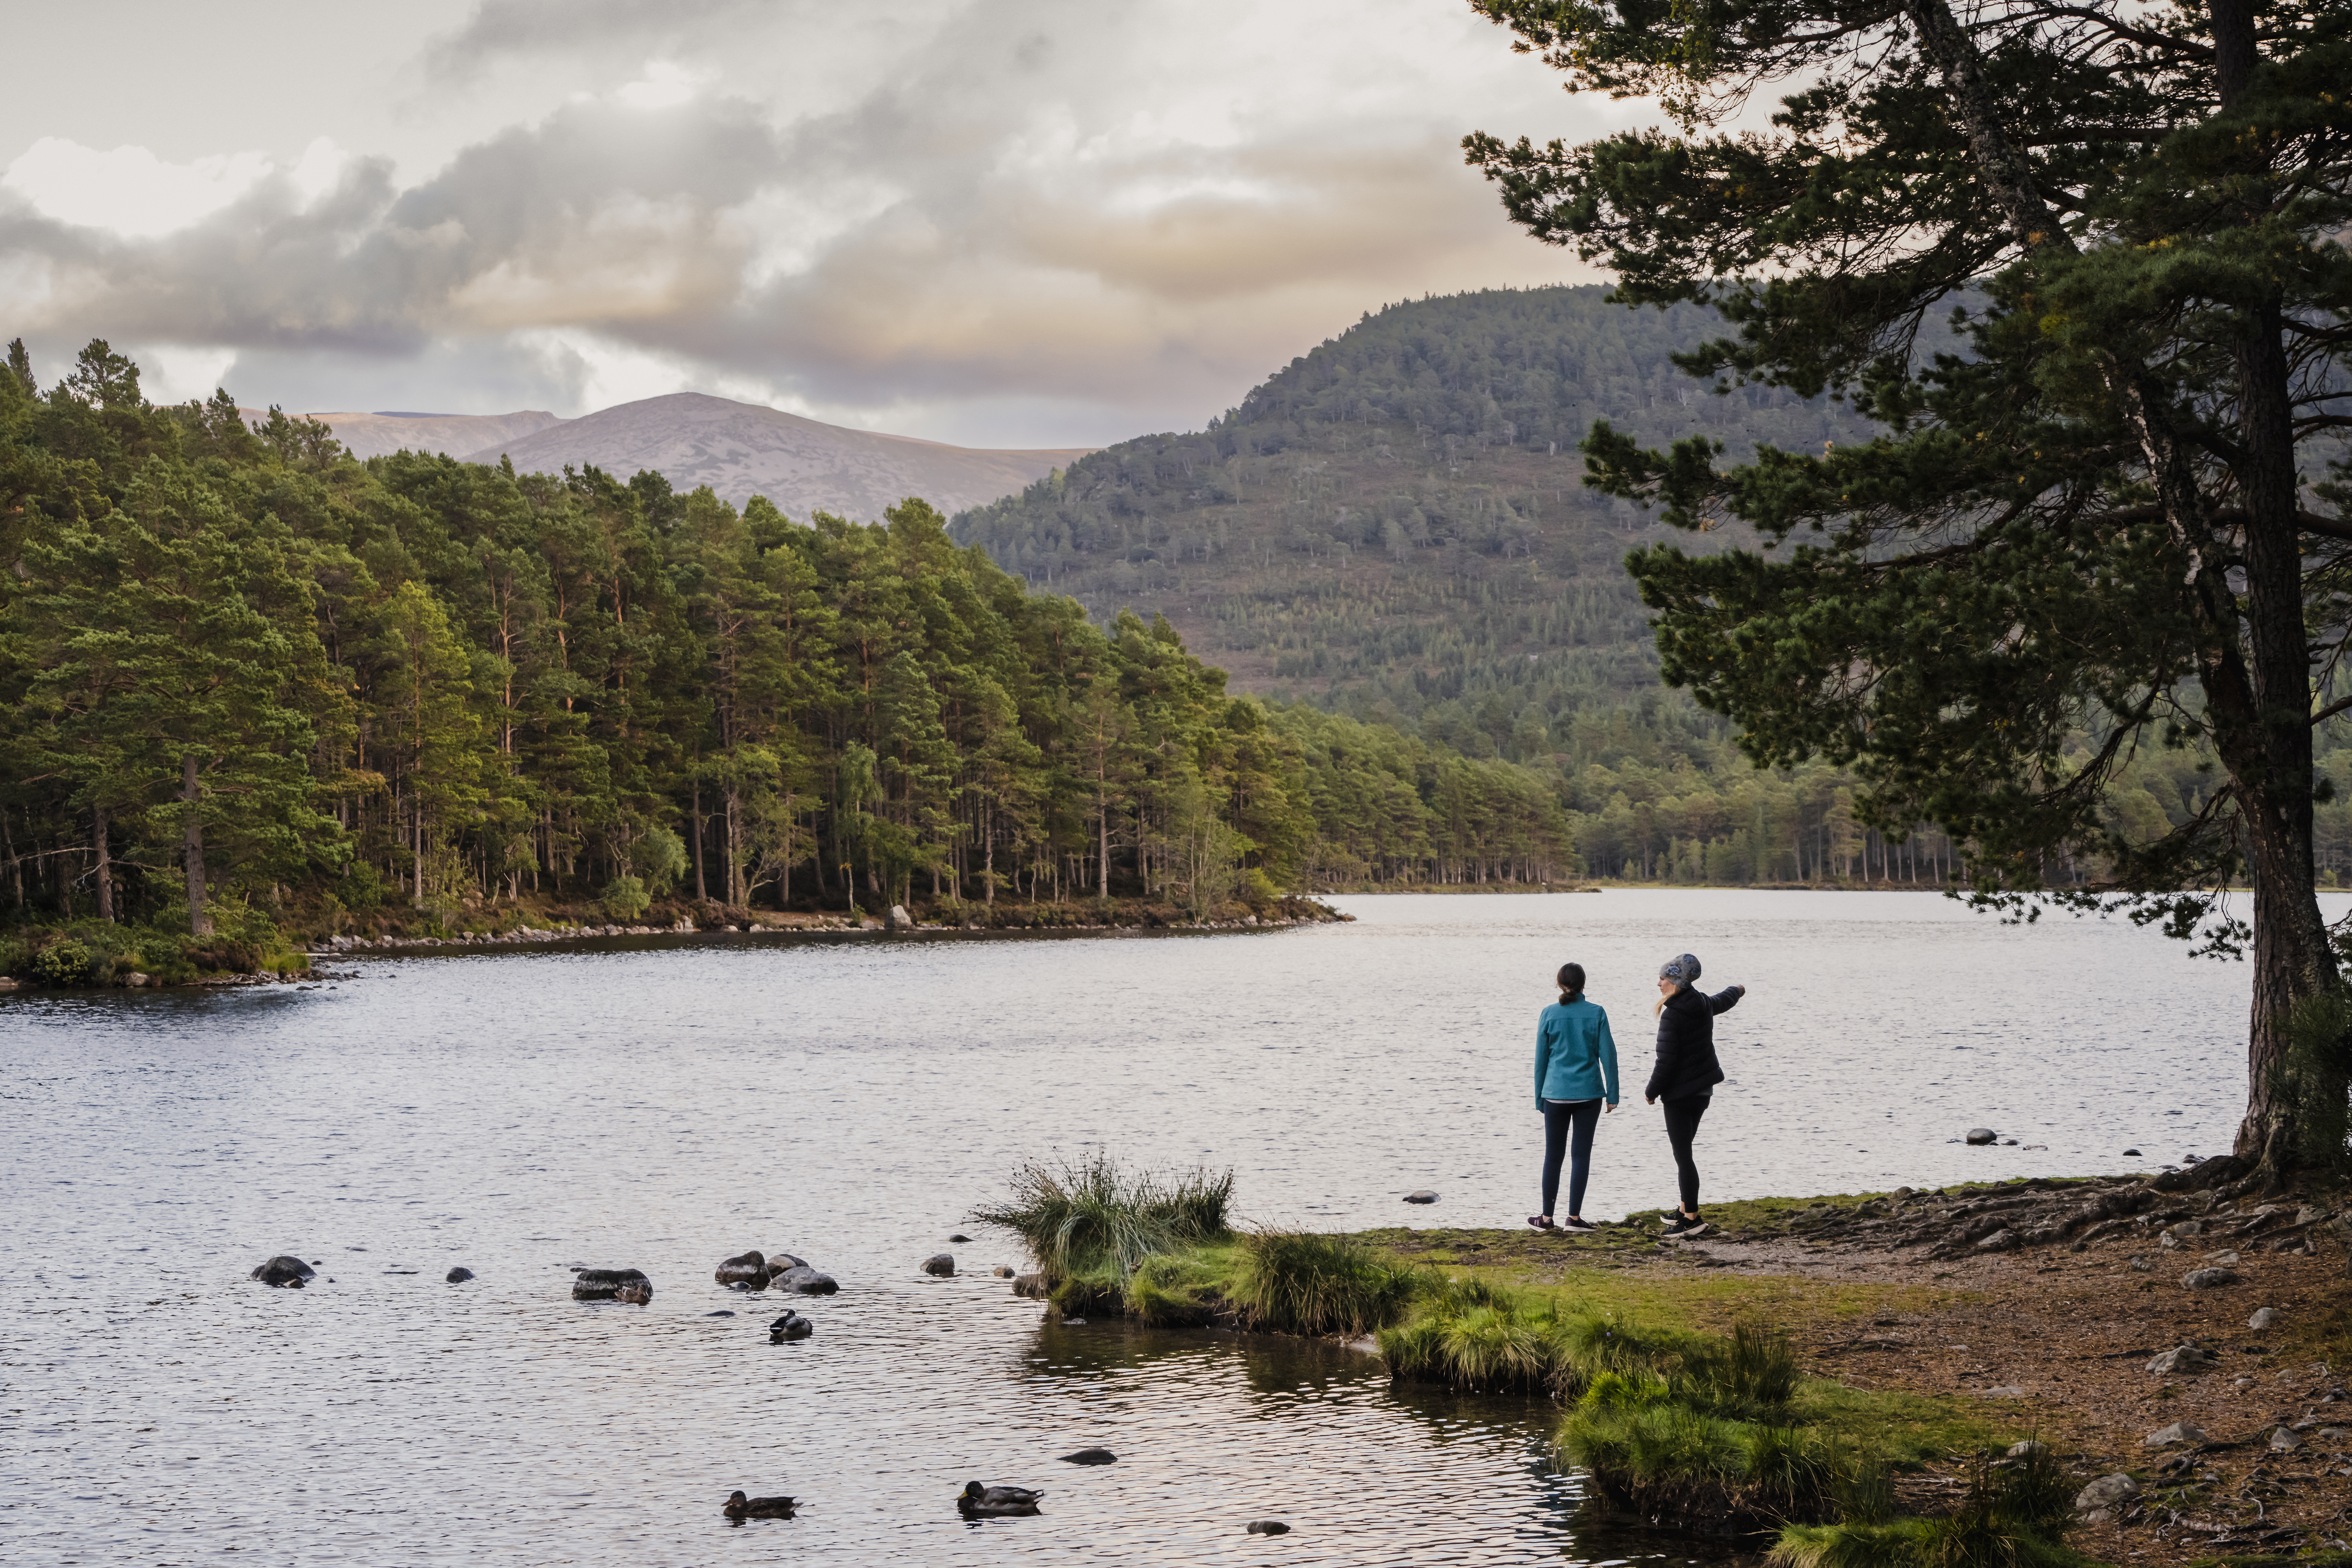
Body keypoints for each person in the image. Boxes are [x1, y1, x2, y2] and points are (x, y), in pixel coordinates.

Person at [1645, 953, 1746, 1236]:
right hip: (1702, 1092)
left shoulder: (1673, 1015)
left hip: (1679, 1095)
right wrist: (1737, 990)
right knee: (1684, 1151)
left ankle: (1691, 1220)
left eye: (1663, 978)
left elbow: (1666, 1061)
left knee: (1684, 1156)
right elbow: (1723, 1000)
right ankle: (1684, 1207)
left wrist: (1651, 1091)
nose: (1659, 984)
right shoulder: (1701, 1003)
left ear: (1676, 981)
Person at [1529, 962, 1617, 1232]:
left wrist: (1538, 1097)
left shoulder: (1549, 1014)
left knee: (1553, 1157)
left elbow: (1540, 1060)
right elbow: (1609, 1056)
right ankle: (1574, 1219)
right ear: (1583, 985)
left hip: (1554, 1094)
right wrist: (1612, 1094)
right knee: (1581, 1156)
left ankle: (1545, 1219)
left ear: (1559, 984)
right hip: (1589, 1094)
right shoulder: (1597, 1013)